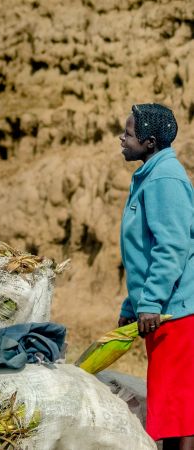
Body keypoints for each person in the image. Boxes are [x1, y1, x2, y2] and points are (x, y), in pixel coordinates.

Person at [117, 104, 194, 450]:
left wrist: (150, 302)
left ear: (149, 142)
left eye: (129, 133)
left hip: (175, 311)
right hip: (163, 307)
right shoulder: (150, 175)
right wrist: (133, 304)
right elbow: (143, 255)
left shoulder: (164, 179)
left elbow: (172, 247)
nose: (122, 138)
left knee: (177, 408)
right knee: (174, 404)